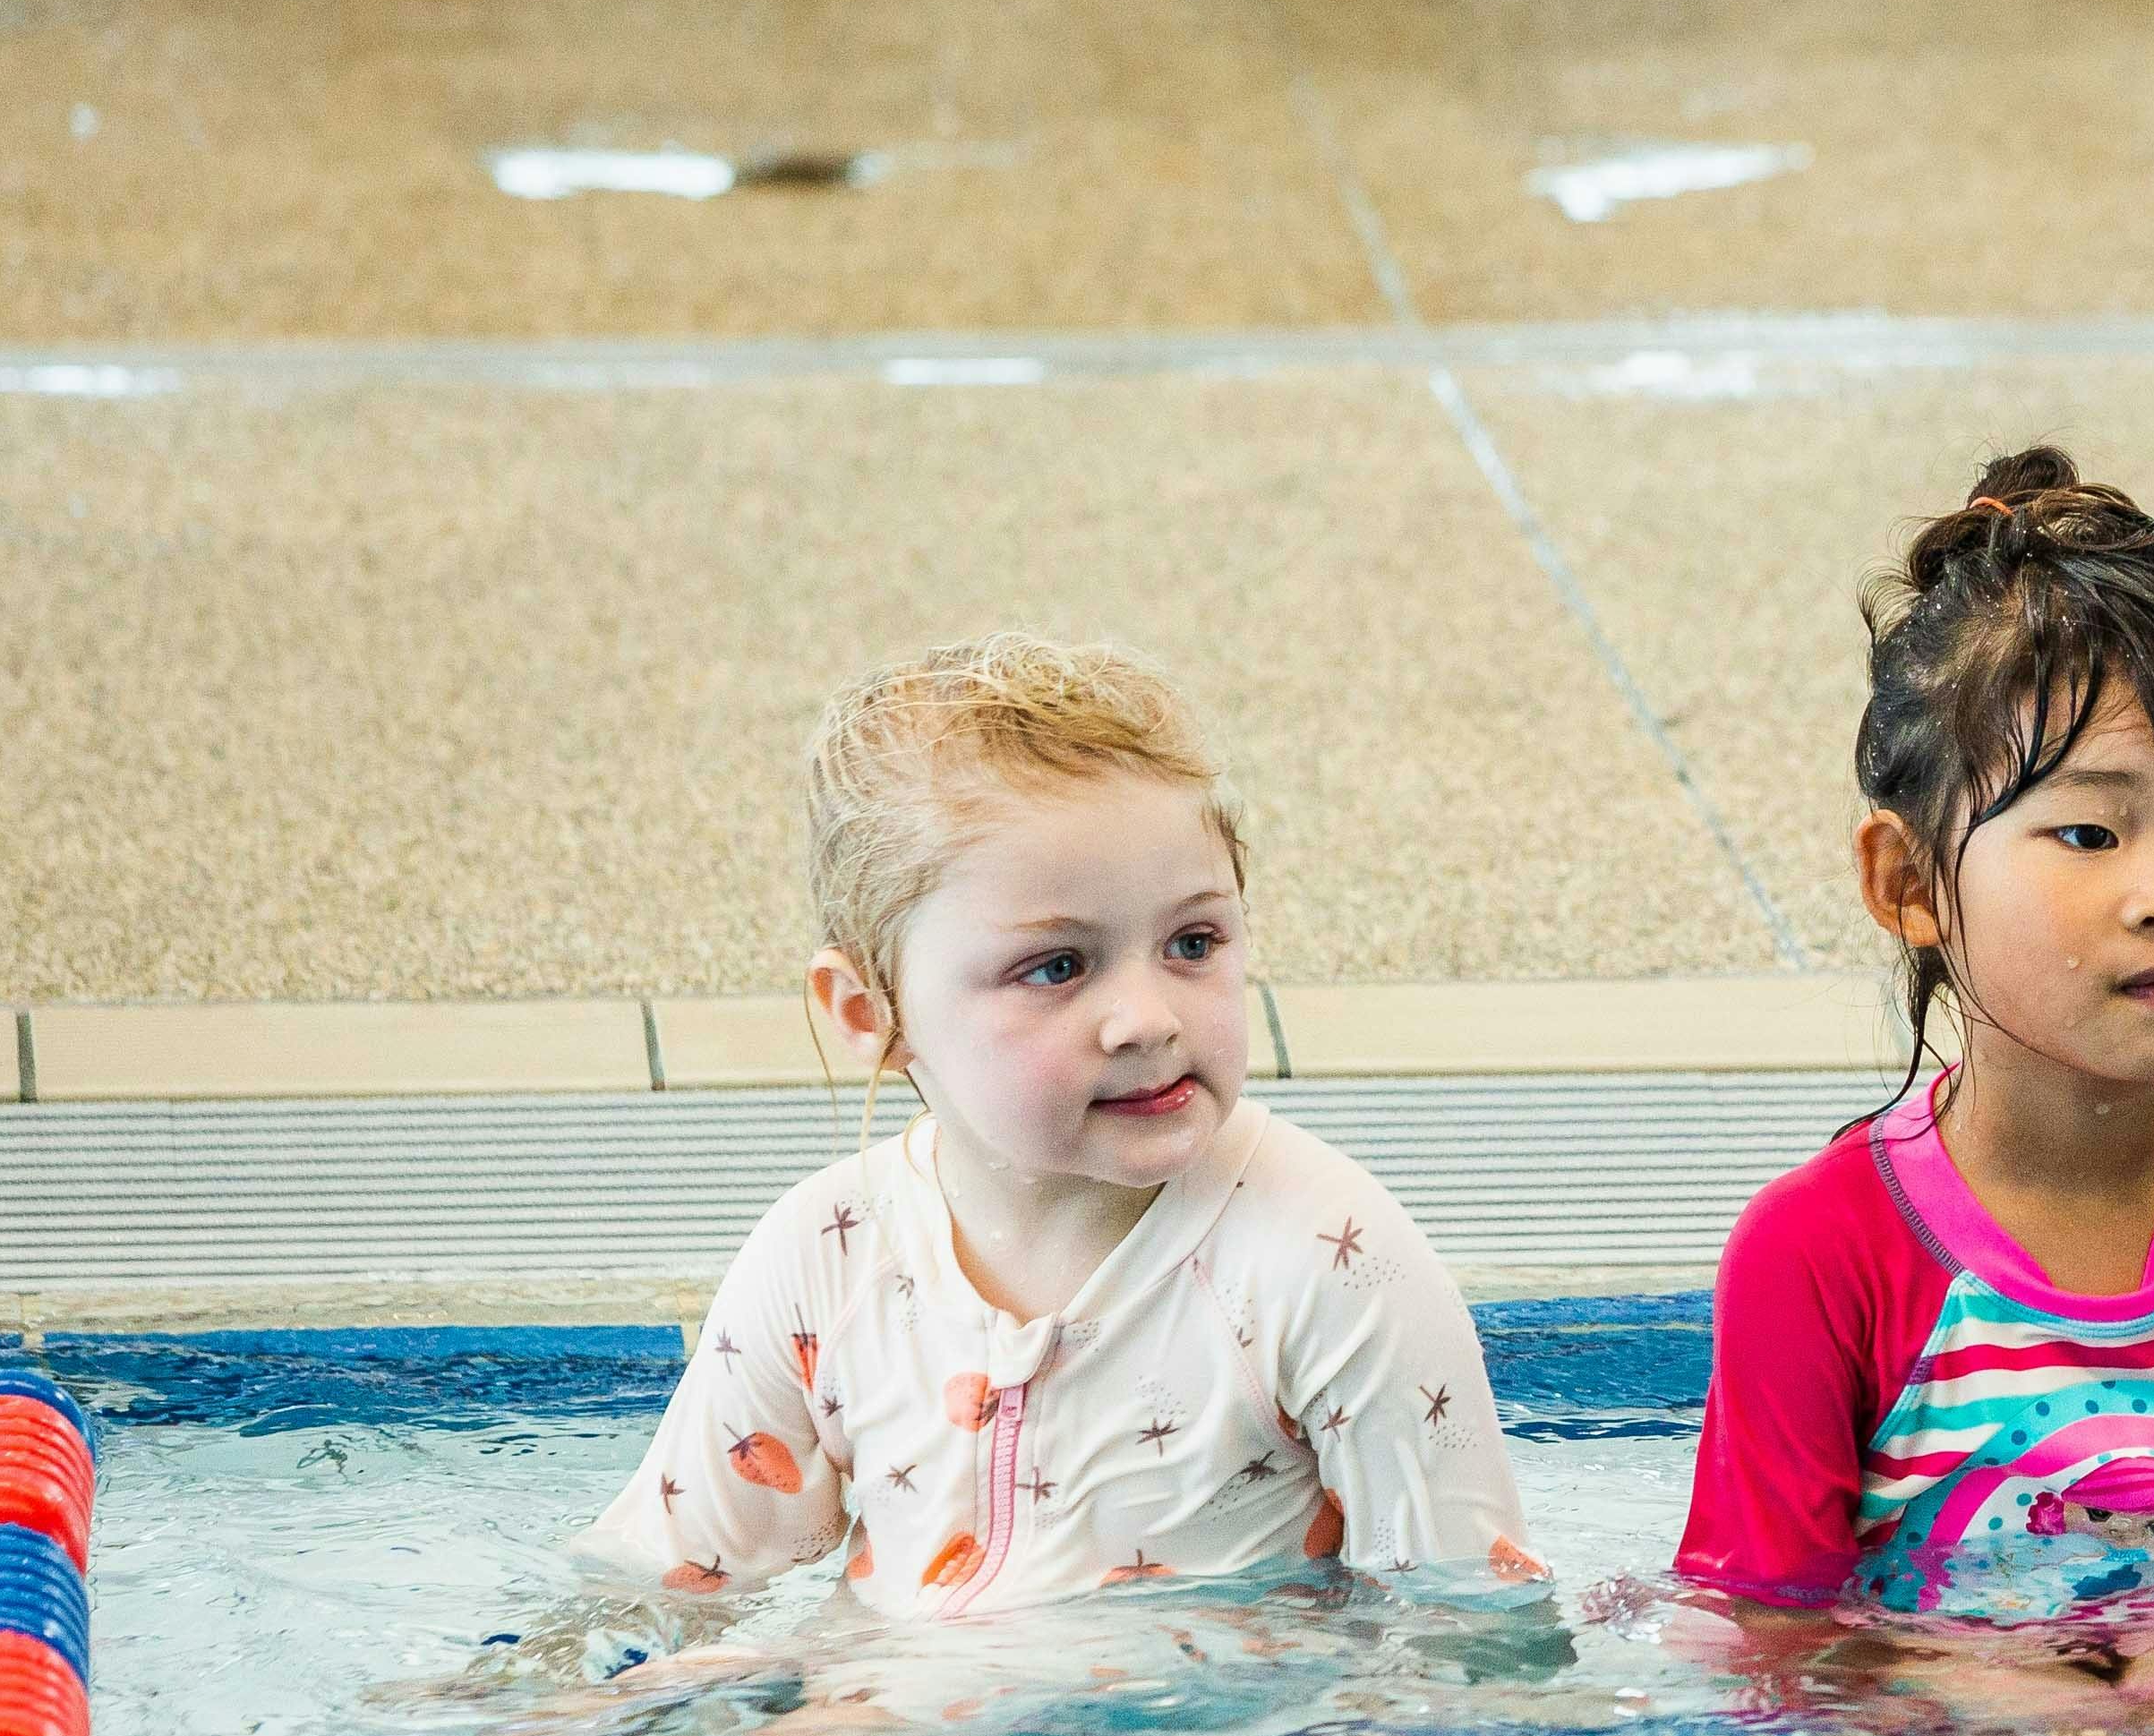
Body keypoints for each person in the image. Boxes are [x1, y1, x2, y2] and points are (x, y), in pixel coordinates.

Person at [577, 635, 1539, 1617]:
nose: (1148, 1017)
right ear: (874, 1012)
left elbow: (1470, 1629)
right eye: (1058, 967)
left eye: (1192, 943)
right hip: (881, 1719)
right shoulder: (829, 1256)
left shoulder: (1324, 1256)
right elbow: (664, 1587)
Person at [1670, 449, 2154, 1622]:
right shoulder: (1821, 1260)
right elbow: (1771, 1664)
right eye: (2089, 833)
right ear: (1909, 880)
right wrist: (2035, 1703)